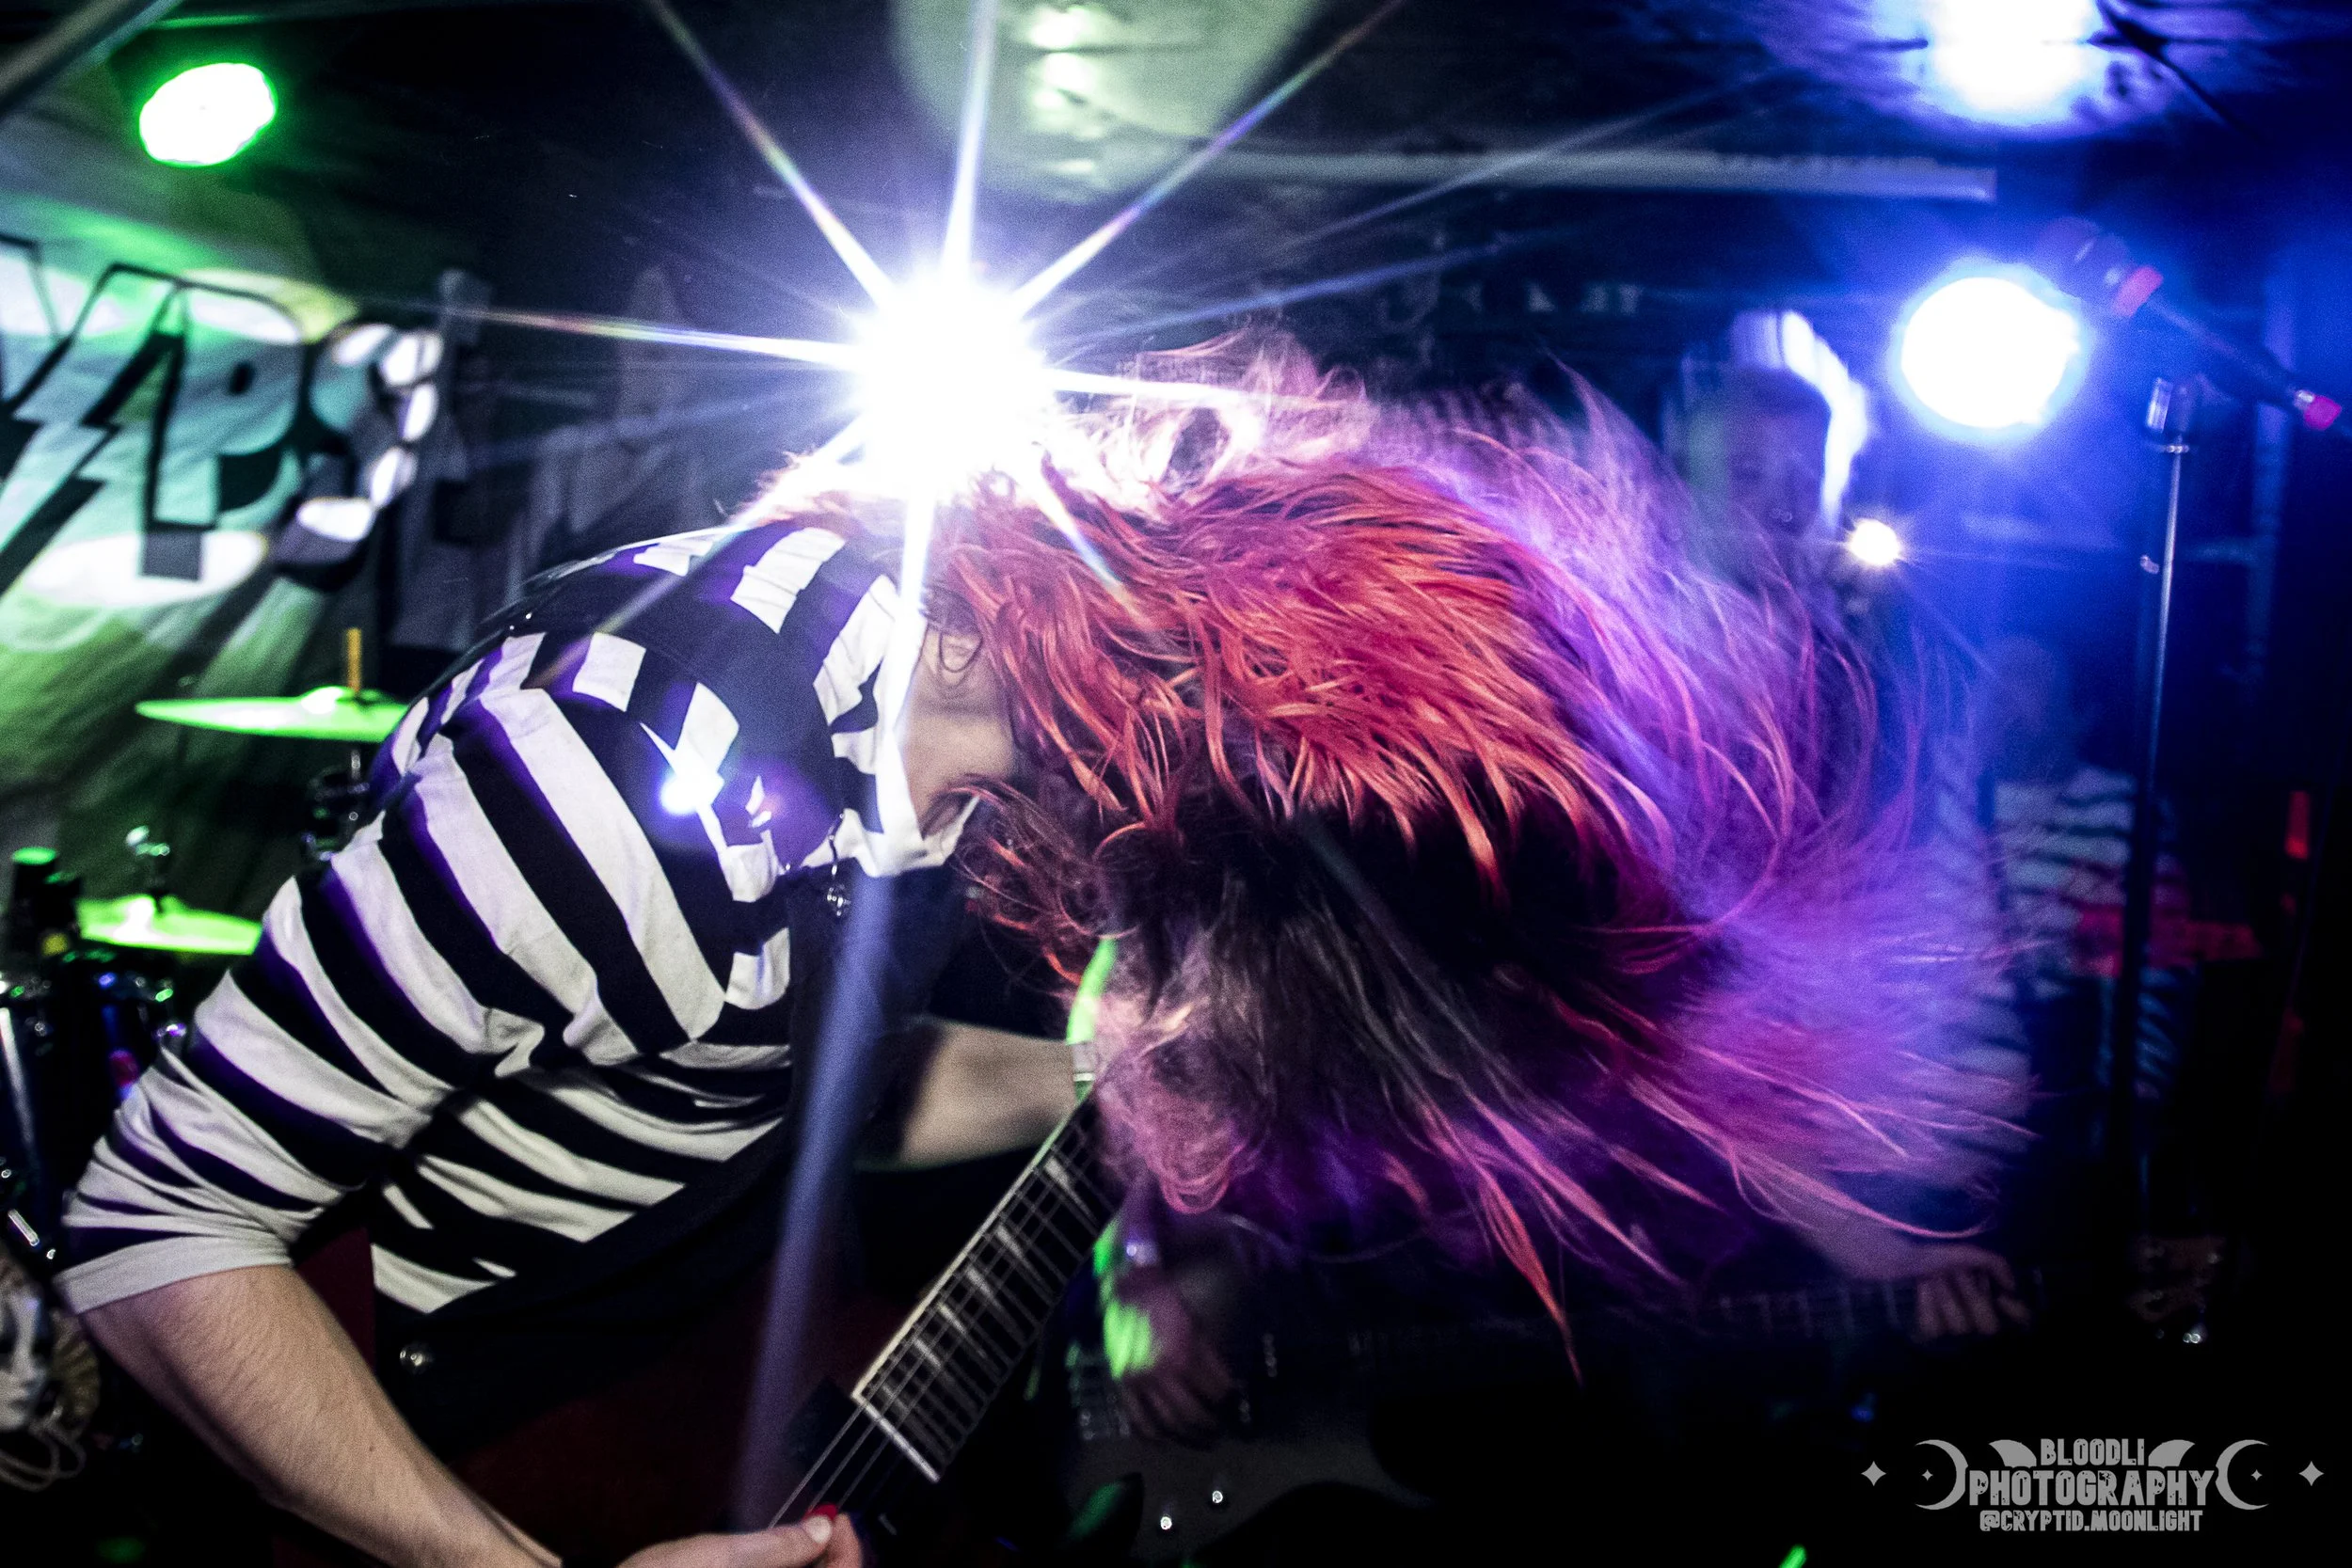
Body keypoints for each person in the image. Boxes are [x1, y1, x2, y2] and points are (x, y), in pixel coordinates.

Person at [60, 339, 2013, 1566]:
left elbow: (759, 1066)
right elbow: (155, 1220)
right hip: (430, 1430)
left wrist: (1120, 1074)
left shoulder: (951, 732)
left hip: (663, 1358)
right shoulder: (610, 782)